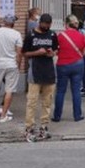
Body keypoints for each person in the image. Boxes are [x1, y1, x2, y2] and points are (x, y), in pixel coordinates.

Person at [23, 13, 59, 142]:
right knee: (32, 102)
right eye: (46, 24)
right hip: (35, 72)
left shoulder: (52, 35)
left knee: (47, 101)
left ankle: (44, 126)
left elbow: (56, 49)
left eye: (49, 25)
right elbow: (25, 53)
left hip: (49, 72)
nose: (47, 27)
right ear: (41, 23)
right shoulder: (31, 35)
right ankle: (29, 128)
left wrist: (52, 53)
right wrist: (37, 53)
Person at [0, 15, 23, 123]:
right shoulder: (17, 34)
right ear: (13, 23)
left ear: (3, 22)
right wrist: (18, 66)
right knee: (9, 90)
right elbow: (19, 53)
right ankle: (3, 116)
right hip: (11, 64)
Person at [53, 14, 85, 122]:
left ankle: (57, 116)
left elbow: (56, 51)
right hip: (78, 64)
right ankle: (77, 115)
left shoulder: (60, 36)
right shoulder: (81, 36)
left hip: (62, 65)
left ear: (66, 24)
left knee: (60, 91)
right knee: (76, 90)